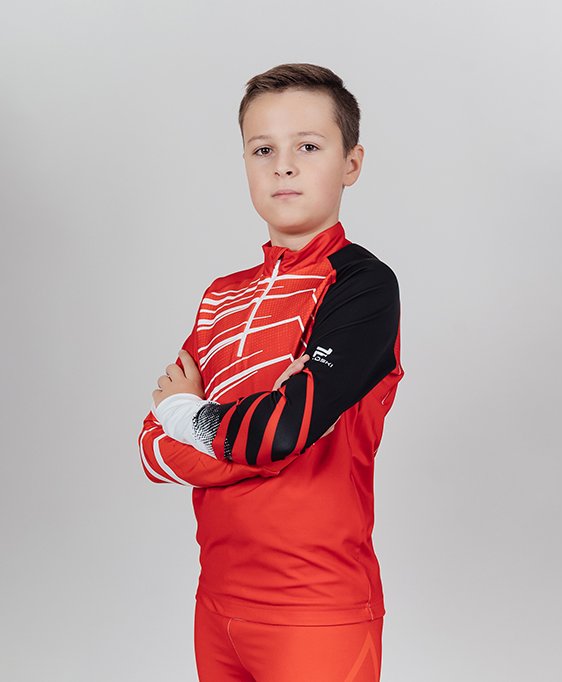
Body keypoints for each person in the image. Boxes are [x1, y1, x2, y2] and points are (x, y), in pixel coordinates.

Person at [137, 62, 404, 682]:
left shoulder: (363, 287)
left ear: (351, 163)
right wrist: (241, 429)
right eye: (263, 149)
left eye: (308, 146)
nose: (283, 166)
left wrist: (187, 415)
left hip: (316, 611)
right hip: (215, 605)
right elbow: (151, 450)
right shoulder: (221, 296)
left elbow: (279, 434)